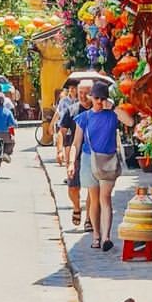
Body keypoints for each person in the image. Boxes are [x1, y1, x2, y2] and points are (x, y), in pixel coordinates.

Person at [70, 81, 134, 251]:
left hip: (107, 160)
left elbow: (130, 122)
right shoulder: (84, 118)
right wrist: (71, 162)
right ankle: (96, 235)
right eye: (96, 97)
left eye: (102, 98)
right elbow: (76, 142)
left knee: (105, 199)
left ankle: (106, 237)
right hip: (88, 159)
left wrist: (112, 107)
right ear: (91, 97)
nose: (99, 101)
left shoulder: (112, 115)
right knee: (94, 199)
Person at [57, 79, 93, 228]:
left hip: (92, 154)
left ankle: (89, 218)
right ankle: (77, 207)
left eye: (87, 93)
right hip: (75, 153)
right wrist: (60, 150)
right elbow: (62, 132)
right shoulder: (71, 111)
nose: (83, 96)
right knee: (73, 186)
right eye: (80, 93)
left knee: (92, 187)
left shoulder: (97, 110)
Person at [53, 79, 80, 169]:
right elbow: (58, 113)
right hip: (66, 129)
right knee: (68, 152)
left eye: (74, 88)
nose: (72, 90)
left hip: (76, 129)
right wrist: (51, 124)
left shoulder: (81, 101)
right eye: (70, 88)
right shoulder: (63, 101)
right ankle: (69, 173)